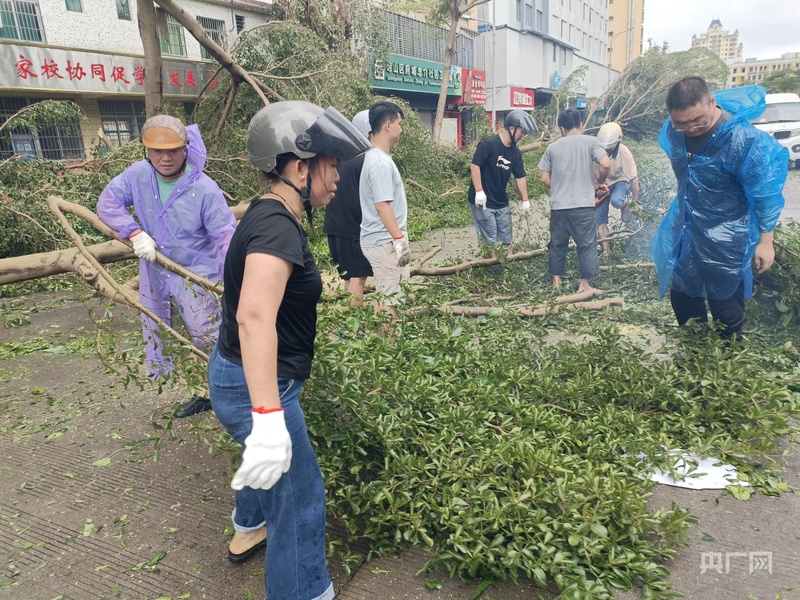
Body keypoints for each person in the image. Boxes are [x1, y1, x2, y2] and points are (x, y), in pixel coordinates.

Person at [207, 101, 370, 598]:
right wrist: (267, 417)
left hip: (237, 374)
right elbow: (254, 317)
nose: (337, 177)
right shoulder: (276, 227)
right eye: (331, 165)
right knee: (300, 498)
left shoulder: (270, 213)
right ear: (300, 168)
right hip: (258, 385)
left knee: (268, 466)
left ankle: (249, 526)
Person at [97, 115, 236, 418]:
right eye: (157, 151)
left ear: (185, 149)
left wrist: (238, 279)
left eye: (173, 150)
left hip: (197, 272)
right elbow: (108, 202)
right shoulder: (138, 175)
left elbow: (226, 237)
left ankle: (227, 390)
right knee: (161, 327)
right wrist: (134, 232)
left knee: (206, 333)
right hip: (154, 267)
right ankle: (202, 391)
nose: (165, 158)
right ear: (147, 151)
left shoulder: (204, 189)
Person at [651, 77, 787, 340]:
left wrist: (765, 241)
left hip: (728, 235)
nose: (690, 128)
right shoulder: (673, 131)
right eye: (681, 123)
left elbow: (765, 194)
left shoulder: (744, 140)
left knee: (724, 302)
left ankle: (729, 354)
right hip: (687, 227)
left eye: (697, 120)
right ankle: (695, 349)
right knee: (683, 295)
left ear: (712, 102)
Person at [538, 108, 611, 292]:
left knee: (557, 245)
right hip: (583, 205)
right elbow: (605, 163)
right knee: (586, 244)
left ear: (562, 129)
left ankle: (556, 283)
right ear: (580, 124)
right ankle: (584, 285)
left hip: (559, 206)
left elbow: (544, 179)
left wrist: (559, 186)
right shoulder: (591, 142)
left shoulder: (552, 148)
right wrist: (600, 182)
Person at [359, 101, 410, 316]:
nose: (401, 129)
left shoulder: (376, 157)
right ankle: (388, 336)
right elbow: (382, 205)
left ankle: (383, 336)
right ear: (388, 125)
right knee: (390, 300)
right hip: (384, 241)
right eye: (399, 123)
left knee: (386, 295)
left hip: (382, 239)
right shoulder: (380, 162)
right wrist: (399, 239)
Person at [468, 110, 536, 261]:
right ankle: (491, 269)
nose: (523, 136)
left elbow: (520, 176)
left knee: (506, 237)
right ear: (512, 128)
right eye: (522, 132)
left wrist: (525, 199)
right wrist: (479, 191)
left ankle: (507, 267)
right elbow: (475, 166)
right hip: (483, 201)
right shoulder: (488, 144)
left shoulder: (515, 153)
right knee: (490, 239)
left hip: (501, 201)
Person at [323, 110, 373, 304]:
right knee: (358, 278)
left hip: (334, 226)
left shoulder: (341, 155)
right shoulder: (365, 159)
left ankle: (349, 316)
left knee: (349, 277)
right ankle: (356, 320)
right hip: (352, 229)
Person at [594, 121, 640, 252]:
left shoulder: (624, 152)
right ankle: (606, 251)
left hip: (620, 180)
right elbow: (590, 178)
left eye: (609, 148)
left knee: (616, 200)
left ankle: (624, 205)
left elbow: (634, 179)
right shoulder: (594, 153)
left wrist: (635, 202)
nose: (606, 151)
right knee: (600, 221)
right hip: (601, 185)